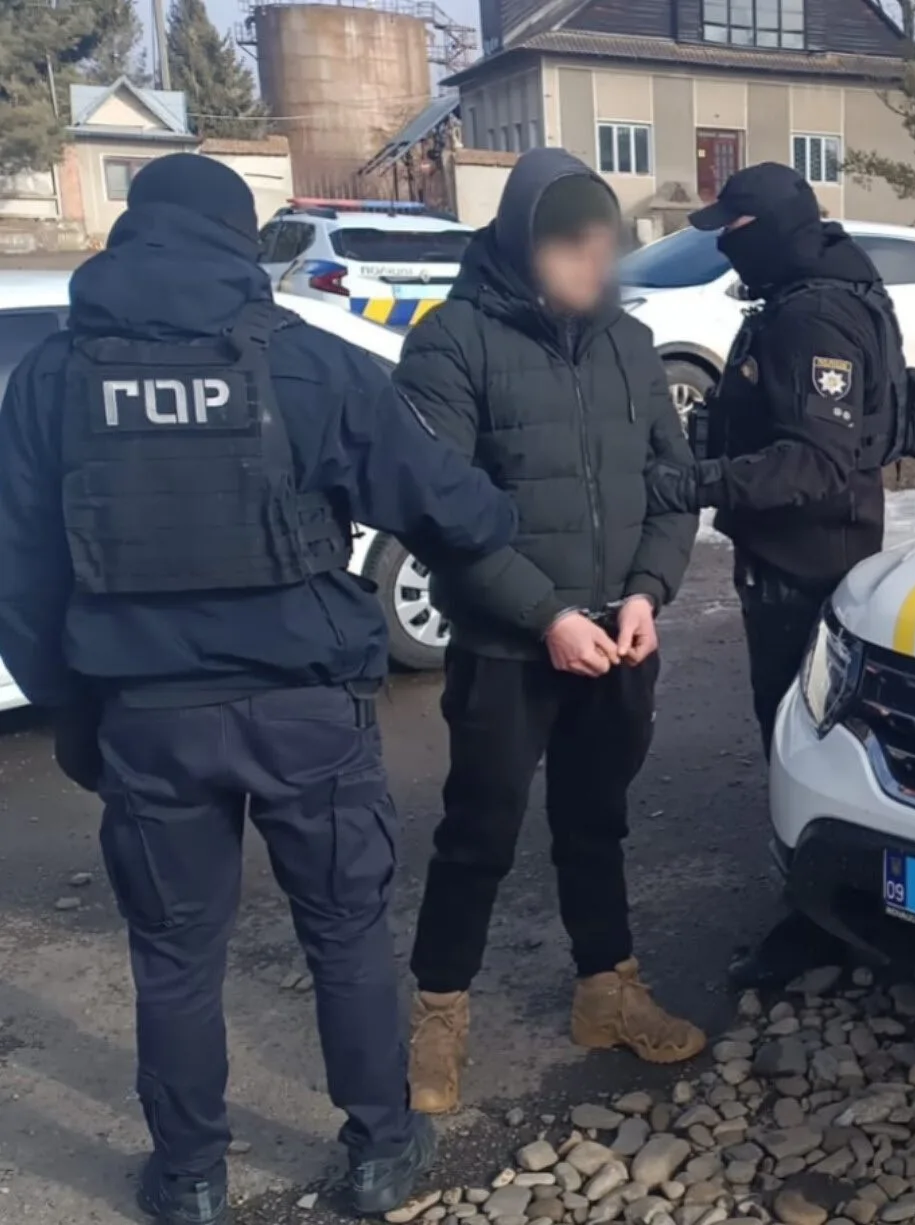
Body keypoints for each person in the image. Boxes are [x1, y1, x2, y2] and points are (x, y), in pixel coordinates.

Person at [0, 155, 520, 1224]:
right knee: (343, 933)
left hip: (148, 717)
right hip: (305, 709)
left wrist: (70, 713)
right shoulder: (309, 363)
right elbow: (456, 511)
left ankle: (191, 1176)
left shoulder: (52, 377)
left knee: (174, 956)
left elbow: (23, 574)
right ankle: (379, 1151)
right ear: (241, 242)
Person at [393, 147, 704, 1115]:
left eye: (601, 244)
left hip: (618, 643)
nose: (591, 263)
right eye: (571, 246)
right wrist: (547, 614)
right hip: (507, 647)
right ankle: (439, 1014)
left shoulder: (630, 343)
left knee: (595, 822)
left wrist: (647, 590)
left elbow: (671, 484)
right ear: (524, 244)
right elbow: (438, 511)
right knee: (478, 832)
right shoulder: (452, 343)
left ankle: (606, 992)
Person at [642, 163, 909, 986]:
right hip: (810, 552)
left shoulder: (811, 315)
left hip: (807, 562)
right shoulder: (824, 288)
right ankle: (835, 902)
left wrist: (697, 481)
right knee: (817, 733)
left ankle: (817, 922)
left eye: (733, 229)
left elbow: (816, 462)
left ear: (768, 232)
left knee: (800, 739)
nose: (724, 244)